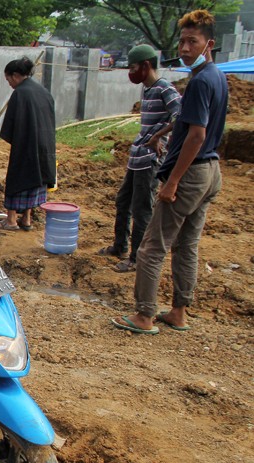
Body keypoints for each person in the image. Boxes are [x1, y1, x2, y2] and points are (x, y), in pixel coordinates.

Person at [112, 9, 225, 334]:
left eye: (193, 42)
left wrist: (173, 180)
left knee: (151, 247)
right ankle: (179, 311)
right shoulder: (217, 77)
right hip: (210, 171)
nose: (185, 48)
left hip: (190, 173)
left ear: (209, 44)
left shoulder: (200, 82)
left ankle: (144, 315)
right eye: (182, 41)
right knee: (187, 245)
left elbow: (196, 135)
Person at [98, 44, 181, 273]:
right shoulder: (147, 89)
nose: (130, 72)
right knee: (123, 201)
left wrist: (158, 136)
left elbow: (181, 116)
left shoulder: (165, 88)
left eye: (133, 67)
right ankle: (120, 246)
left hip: (150, 159)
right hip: (137, 157)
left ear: (146, 65)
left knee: (142, 208)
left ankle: (136, 258)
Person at [0, 57, 56, 231]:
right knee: (34, 181)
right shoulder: (43, 91)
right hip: (44, 147)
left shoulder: (20, 93)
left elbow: (12, 125)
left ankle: (11, 220)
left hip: (26, 146)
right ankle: (26, 219)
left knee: (17, 179)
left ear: (15, 75)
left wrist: (16, 140)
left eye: (8, 79)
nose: (9, 84)